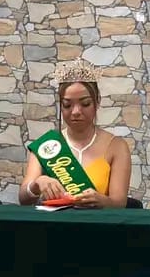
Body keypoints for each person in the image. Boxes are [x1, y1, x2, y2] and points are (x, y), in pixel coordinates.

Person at [18, 59, 132, 208]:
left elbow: (119, 204)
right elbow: (23, 198)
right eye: (67, 105)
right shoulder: (46, 145)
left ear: (97, 102)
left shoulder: (117, 147)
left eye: (85, 104)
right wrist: (36, 184)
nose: (76, 111)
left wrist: (101, 201)